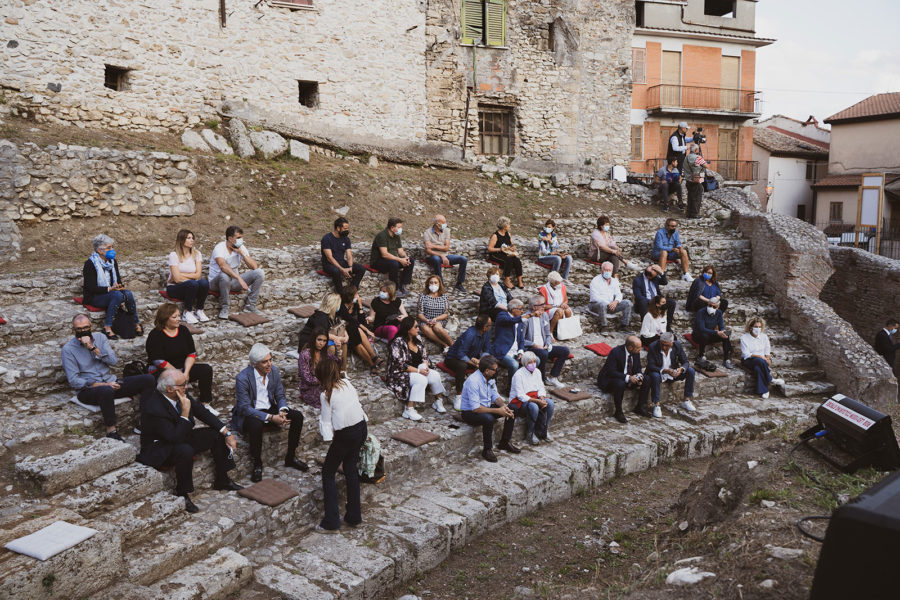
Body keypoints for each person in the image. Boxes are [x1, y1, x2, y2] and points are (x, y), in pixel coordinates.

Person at [137, 368, 241, 514]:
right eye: (183, 384)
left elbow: (202, 412)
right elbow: (173, 437)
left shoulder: (180, 394)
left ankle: (222, 479)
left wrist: (226, 432)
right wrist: (185, 413)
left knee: (215, 435)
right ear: (169, 388)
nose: (187, 386)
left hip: (179, 435)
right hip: (159, 447)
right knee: (185, 450)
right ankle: (183, 493)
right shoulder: (153, 407)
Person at [62, 314, 155, 440]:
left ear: (91, 326)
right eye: (79, 329)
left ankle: (144, 423)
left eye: (85, 327)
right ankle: (111, 430)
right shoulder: (68, 349)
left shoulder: (100, 337)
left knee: (148, 379)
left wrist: (93, 348)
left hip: (111, 382)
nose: (83, 331)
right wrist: (101, 385)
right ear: (73, 330)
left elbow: (113, 361)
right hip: (89, 390)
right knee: (106, 391)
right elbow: (74, 380)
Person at [233, 343, 308, 482]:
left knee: (297, 416)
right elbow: (244, 407)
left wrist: (282, 410)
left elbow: (280, 395)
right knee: (256, 426)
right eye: (264, 362)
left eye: (270, 360)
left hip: (269, 407)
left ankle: (291, 456)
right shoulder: (242, 378)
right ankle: (257, 463)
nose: (269, 364)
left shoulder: (273, 371)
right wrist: (271, 418)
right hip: (251, 411)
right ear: (254, 364)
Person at [316, 357, 368, 532]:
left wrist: (329, 439)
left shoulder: (326, 395)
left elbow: (325, 422)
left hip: (346, 434)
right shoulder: (347, 383)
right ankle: (354, 516)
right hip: (361, 427)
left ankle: (331, 521)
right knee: (350, 468)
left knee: (328, 472)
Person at [146, 304, 217, 415]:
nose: (179, 319)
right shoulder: (155, 335)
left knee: (206, 370)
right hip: (163, 371)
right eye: (175, 317)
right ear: (165, 319)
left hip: (182, 369)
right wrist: (179, 376)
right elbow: (159, 361)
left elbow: (191, 354)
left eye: (179, 316)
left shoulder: (183, 330)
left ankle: (205, 404)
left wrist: (186, 372)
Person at [386, 316, 448, 420]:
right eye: (416, 327)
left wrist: (426, 366)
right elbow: (400, 365)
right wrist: (419, 371)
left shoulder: (418, 338)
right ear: (408, 329)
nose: (418, 328)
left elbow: (424, 356)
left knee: (434, 375)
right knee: (421, 379)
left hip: (418, 369)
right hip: (399, 373)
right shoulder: (398, 342)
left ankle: (438, 401)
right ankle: (409, 409)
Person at [82, 234, 143, 339]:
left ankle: (136, 323)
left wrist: (119, 286)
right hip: (95, 296)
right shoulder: (90, 264)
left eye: (112, 247)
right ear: (100, 251)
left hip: (112, 293)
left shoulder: (112, 262)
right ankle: (107, 327)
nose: (112, 250)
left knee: (127, 293)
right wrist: (110, 289)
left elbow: (117, 280)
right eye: (109, 248)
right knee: (117, 295)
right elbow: (90, 287)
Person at [459, 355, 519, 462]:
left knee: (512, 408)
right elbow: (476, 408)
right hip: (470, 412)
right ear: (487, 371)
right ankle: (487, 450)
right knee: (488, 419)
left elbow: (495, 396)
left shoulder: (490, 378)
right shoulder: (473, 381)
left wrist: (504, 407)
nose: (496, 371)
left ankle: (505, 442)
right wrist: (498, 411)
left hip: (485, 407)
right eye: (495, 370)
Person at [208, 225, 266, 319]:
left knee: (259, 273)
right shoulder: (219, 248)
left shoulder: (241, 248)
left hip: (233, 282)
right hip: (216, 283)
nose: (241, 240)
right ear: (230, 238)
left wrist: (242, 253)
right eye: (238, 238)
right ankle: (225, 308)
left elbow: (254, 266)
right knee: (224, 275)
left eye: (241, 237)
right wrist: (239, 278)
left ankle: (250, 306)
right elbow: (223, 266)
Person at [637, 332, 696, 418]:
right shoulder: (653, 346)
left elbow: (685, 362)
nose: (664, 347)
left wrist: (681, 369)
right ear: (660, 341)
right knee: (655, 375)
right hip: (658, 372)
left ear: (672, 343)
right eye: (662, 344)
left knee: (690, 371)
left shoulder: (677, 345)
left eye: (667, 345)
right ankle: (656, 405)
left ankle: (686, 400)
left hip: (673, 373)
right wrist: (664, 370)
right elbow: (651, 365)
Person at [445, 314, 492, 408]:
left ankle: (490, 393)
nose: (490, 327)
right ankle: (458, 396)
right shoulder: (470, 334)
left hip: (471, 358)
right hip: (453, 358)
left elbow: (486, 350)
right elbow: (460, 353)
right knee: (462, 366)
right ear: (484, 327)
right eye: (489, 325)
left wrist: (482, 361)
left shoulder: (486, 333)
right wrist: (475, 364)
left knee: (491, 363)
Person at [510, 352, 555, 446]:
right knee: (533, 406)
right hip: (520, 402)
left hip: (535, 398)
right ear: (525, 363)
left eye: (534, 361)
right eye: (530, 362)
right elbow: (520, 395)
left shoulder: (537, 372)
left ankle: (544, 431)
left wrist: (542, 398)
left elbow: (541, 388)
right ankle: (530, 433)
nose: (533, 364)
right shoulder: (518, 375)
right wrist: (537, 401)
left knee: (550, 403)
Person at [523, 296, 570, 388]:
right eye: (542, 305)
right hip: (531, 347)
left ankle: (553, 377)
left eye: (544, 304)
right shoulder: (526, 319)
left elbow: (548, 334)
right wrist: (535, 345)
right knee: (543, 354)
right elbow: (521, 339)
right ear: (534, 307)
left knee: (564, 351)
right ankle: (542, 378)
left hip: (544, 346)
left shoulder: (544, 315)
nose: (544, 306)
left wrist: (548, 343)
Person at [165, 229, 210, 324]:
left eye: (192, 238)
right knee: (193, 284)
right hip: (174, 288)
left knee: (204, 283)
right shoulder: (174, 255)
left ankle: (199, 310)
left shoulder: (197, 254)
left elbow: (198, 275)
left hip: (192, 286)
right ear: (181, 240)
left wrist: (181, 274)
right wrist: (190, 276)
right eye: (189, 238)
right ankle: (187, 312)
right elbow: (176, 280)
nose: (192, 240)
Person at [596, 335, 643, 424]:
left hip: (627, 378)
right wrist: (629, 377)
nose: (640, 350)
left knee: (647, 379)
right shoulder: (616, 352)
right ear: (630, 347)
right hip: (611, 379)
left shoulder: (636, 352)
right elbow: (611, 372)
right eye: (638, 348)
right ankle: (618, 411)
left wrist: (639, 376)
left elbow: (638, 367)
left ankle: (640, 406)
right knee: (620, 383)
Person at [338, 285, 380, 374]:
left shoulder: (355, 305)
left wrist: (360, 306)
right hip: (344, 331)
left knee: (355, 329)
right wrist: (368, 331)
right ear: (350, 296)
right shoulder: (342, 307)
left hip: (356, 329)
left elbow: (362, 321)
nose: (358, 296)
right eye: (356, 294)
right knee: (354, 329)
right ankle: (373, 361)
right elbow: (351, 320)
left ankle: (373, 360)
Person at [740, 317, 785, 399]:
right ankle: (770, 379)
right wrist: (760, 356)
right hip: (748, 360)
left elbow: (767, 349)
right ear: (750, 327)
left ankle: (764, 390)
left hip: (762, 361)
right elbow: (746, 353)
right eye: (756, 327)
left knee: (758, 368)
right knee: (759, 360)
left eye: (759, 327)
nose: (758, 329)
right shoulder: (744, 338)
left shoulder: (764, 337)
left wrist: (767, 358)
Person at [298, 329, 343, 409]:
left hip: (324, 384)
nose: (321, 343)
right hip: (309, 388)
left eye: (324, 341)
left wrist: (338, 350)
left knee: (340, 391)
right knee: (327, 399)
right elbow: (306, 378)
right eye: (319, 340)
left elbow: (336, 366)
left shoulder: (325, 353)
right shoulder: (305, 354)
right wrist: (325, 380)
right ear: (314, 339)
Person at [423, 214, 467, 294]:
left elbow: (446, 248)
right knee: (436, 260)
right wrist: (441, 255)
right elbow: (428, 250)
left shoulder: (446, 230)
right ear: (437, 223)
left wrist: (433, 245)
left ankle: (459, 283)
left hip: (446, 255)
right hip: (433, 256)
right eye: (443, 222)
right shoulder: (427, 232)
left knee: (463, 259)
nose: (445, 224)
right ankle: (441, 285)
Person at [371, 217, 415, 296]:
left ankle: (403, 285)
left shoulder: (396, 236)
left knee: (410, 260)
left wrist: (405, 257)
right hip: (379, 261)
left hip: (392, 259)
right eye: (399, 227)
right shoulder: (382, 236)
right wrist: (400, 260)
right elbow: (384, 254)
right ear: (392, 228)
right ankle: (395, 288)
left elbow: (400, 251)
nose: (400, 229)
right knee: (394, 264)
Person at [321, 217, 366, 292]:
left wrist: (350, 267)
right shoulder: (327, 238)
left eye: (347, 228)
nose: (347, 230)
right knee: (336, 271)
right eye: (345, 228)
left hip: (342, 262)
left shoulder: (346, 239)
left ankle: (352, 290)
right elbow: (329, 258)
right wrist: (342, 269)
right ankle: (340, 292)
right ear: (338, 228)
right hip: (329, 264)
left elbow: (349, 255)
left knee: (361, 268)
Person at [491, 298, 527, 384]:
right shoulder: (502, 315)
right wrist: (526, 316)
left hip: (516, 352)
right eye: (520, 309)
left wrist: (521, 351)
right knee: (514, 365)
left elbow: (521, 339)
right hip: (503, 351)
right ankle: (511, 389)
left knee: (535, 360)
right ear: (513, 309)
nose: (522, 311)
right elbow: (509, 321)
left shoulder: (519, 320)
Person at [588, 261, 632, 330]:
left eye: (609, 270)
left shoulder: (614, 281)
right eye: (606, 270)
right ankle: (604, 326)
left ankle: (624, 326)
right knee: (602, 304)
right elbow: (595, 297)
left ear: (612, 271)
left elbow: (618, 294)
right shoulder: (595, 280)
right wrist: (609, 304)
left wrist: (616, 302)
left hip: (611, 305)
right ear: (602, 270)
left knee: (627, 303)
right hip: (596, 305)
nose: (607, 272)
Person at [692, 298, 734, 369]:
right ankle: (701, 355)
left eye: (714, 307)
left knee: (726, 335)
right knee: (704, 336)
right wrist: (717, 332)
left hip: (711, 333)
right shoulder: (701, 312)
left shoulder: (719, 313)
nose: (711, 308)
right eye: (710, 305)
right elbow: (702, 329)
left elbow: (721, 325)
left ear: (717, 307)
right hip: (699, 335)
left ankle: (726, 359)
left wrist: (723, 331)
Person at [632, 263, 675, 330]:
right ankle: (646, 327)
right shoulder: (637, 281)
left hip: (658, 301)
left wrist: (661, 272)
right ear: (649, 276)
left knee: (672, 302)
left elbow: (665, 282)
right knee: (643, 301)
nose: (656, 276)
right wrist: (653, 302)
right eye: (656, 274)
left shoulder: (655, 278)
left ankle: (667, 326)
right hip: (646, 303)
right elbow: (638, 296)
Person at [417, 275, 454, 350]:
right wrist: (427, 320)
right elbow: (420, 313)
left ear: (439, 284)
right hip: (426, 320)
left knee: (437, 327)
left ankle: (453, 346)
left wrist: (435, 319)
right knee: (425, 328)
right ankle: (444, 344)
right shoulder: (423, 296)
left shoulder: (444, 296)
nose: (433, 284)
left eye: (435, 283)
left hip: (439, 319)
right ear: (428, 284)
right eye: (431, 283)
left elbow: (445, 314)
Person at [487, 216, 524, 289]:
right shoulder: (495, 235)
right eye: (508, 224)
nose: (509, 226)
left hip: (505, 253)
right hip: (496, 254)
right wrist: (500, 249)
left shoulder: (508, 234)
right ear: (504, 226)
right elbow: (490, 248)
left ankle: (520, 280)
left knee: (517, 261)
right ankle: (507, 280)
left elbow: (511, 244)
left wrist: (512, 248)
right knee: (508, 261)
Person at [652, 218, 693, 282]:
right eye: (672, 226)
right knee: (664, 252)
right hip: (658, 253)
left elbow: (678, 242)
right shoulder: (659, 233)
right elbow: (659, 247)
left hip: (670, 253)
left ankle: (686, 274)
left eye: (675, 226)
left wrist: (679, 247)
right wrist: (672, 249)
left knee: (684, 251)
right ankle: (661, 274)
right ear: (667, 226)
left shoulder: (675, 232)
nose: (674, 228)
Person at [539, 271, 572, 335]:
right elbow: (542, 306)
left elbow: (566, 300)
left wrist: (564, 304)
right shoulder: (544, 289)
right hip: (549, 309)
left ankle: (564, 331)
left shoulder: (562, 286)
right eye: (557, 284)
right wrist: (556, 306)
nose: (559, 285)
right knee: (559, 311)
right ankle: (550, 332)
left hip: (559, 307)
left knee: (568, 311)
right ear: (551, 283)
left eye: (559, 283)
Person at [683, 143, 709, 219]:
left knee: (690, 197)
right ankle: (695, 214)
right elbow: (707, 166)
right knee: (697, 198)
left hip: (688, 180)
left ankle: (689, 214)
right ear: (696, 150)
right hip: (696, 180)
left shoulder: (686, 158)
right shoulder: (698, 158)